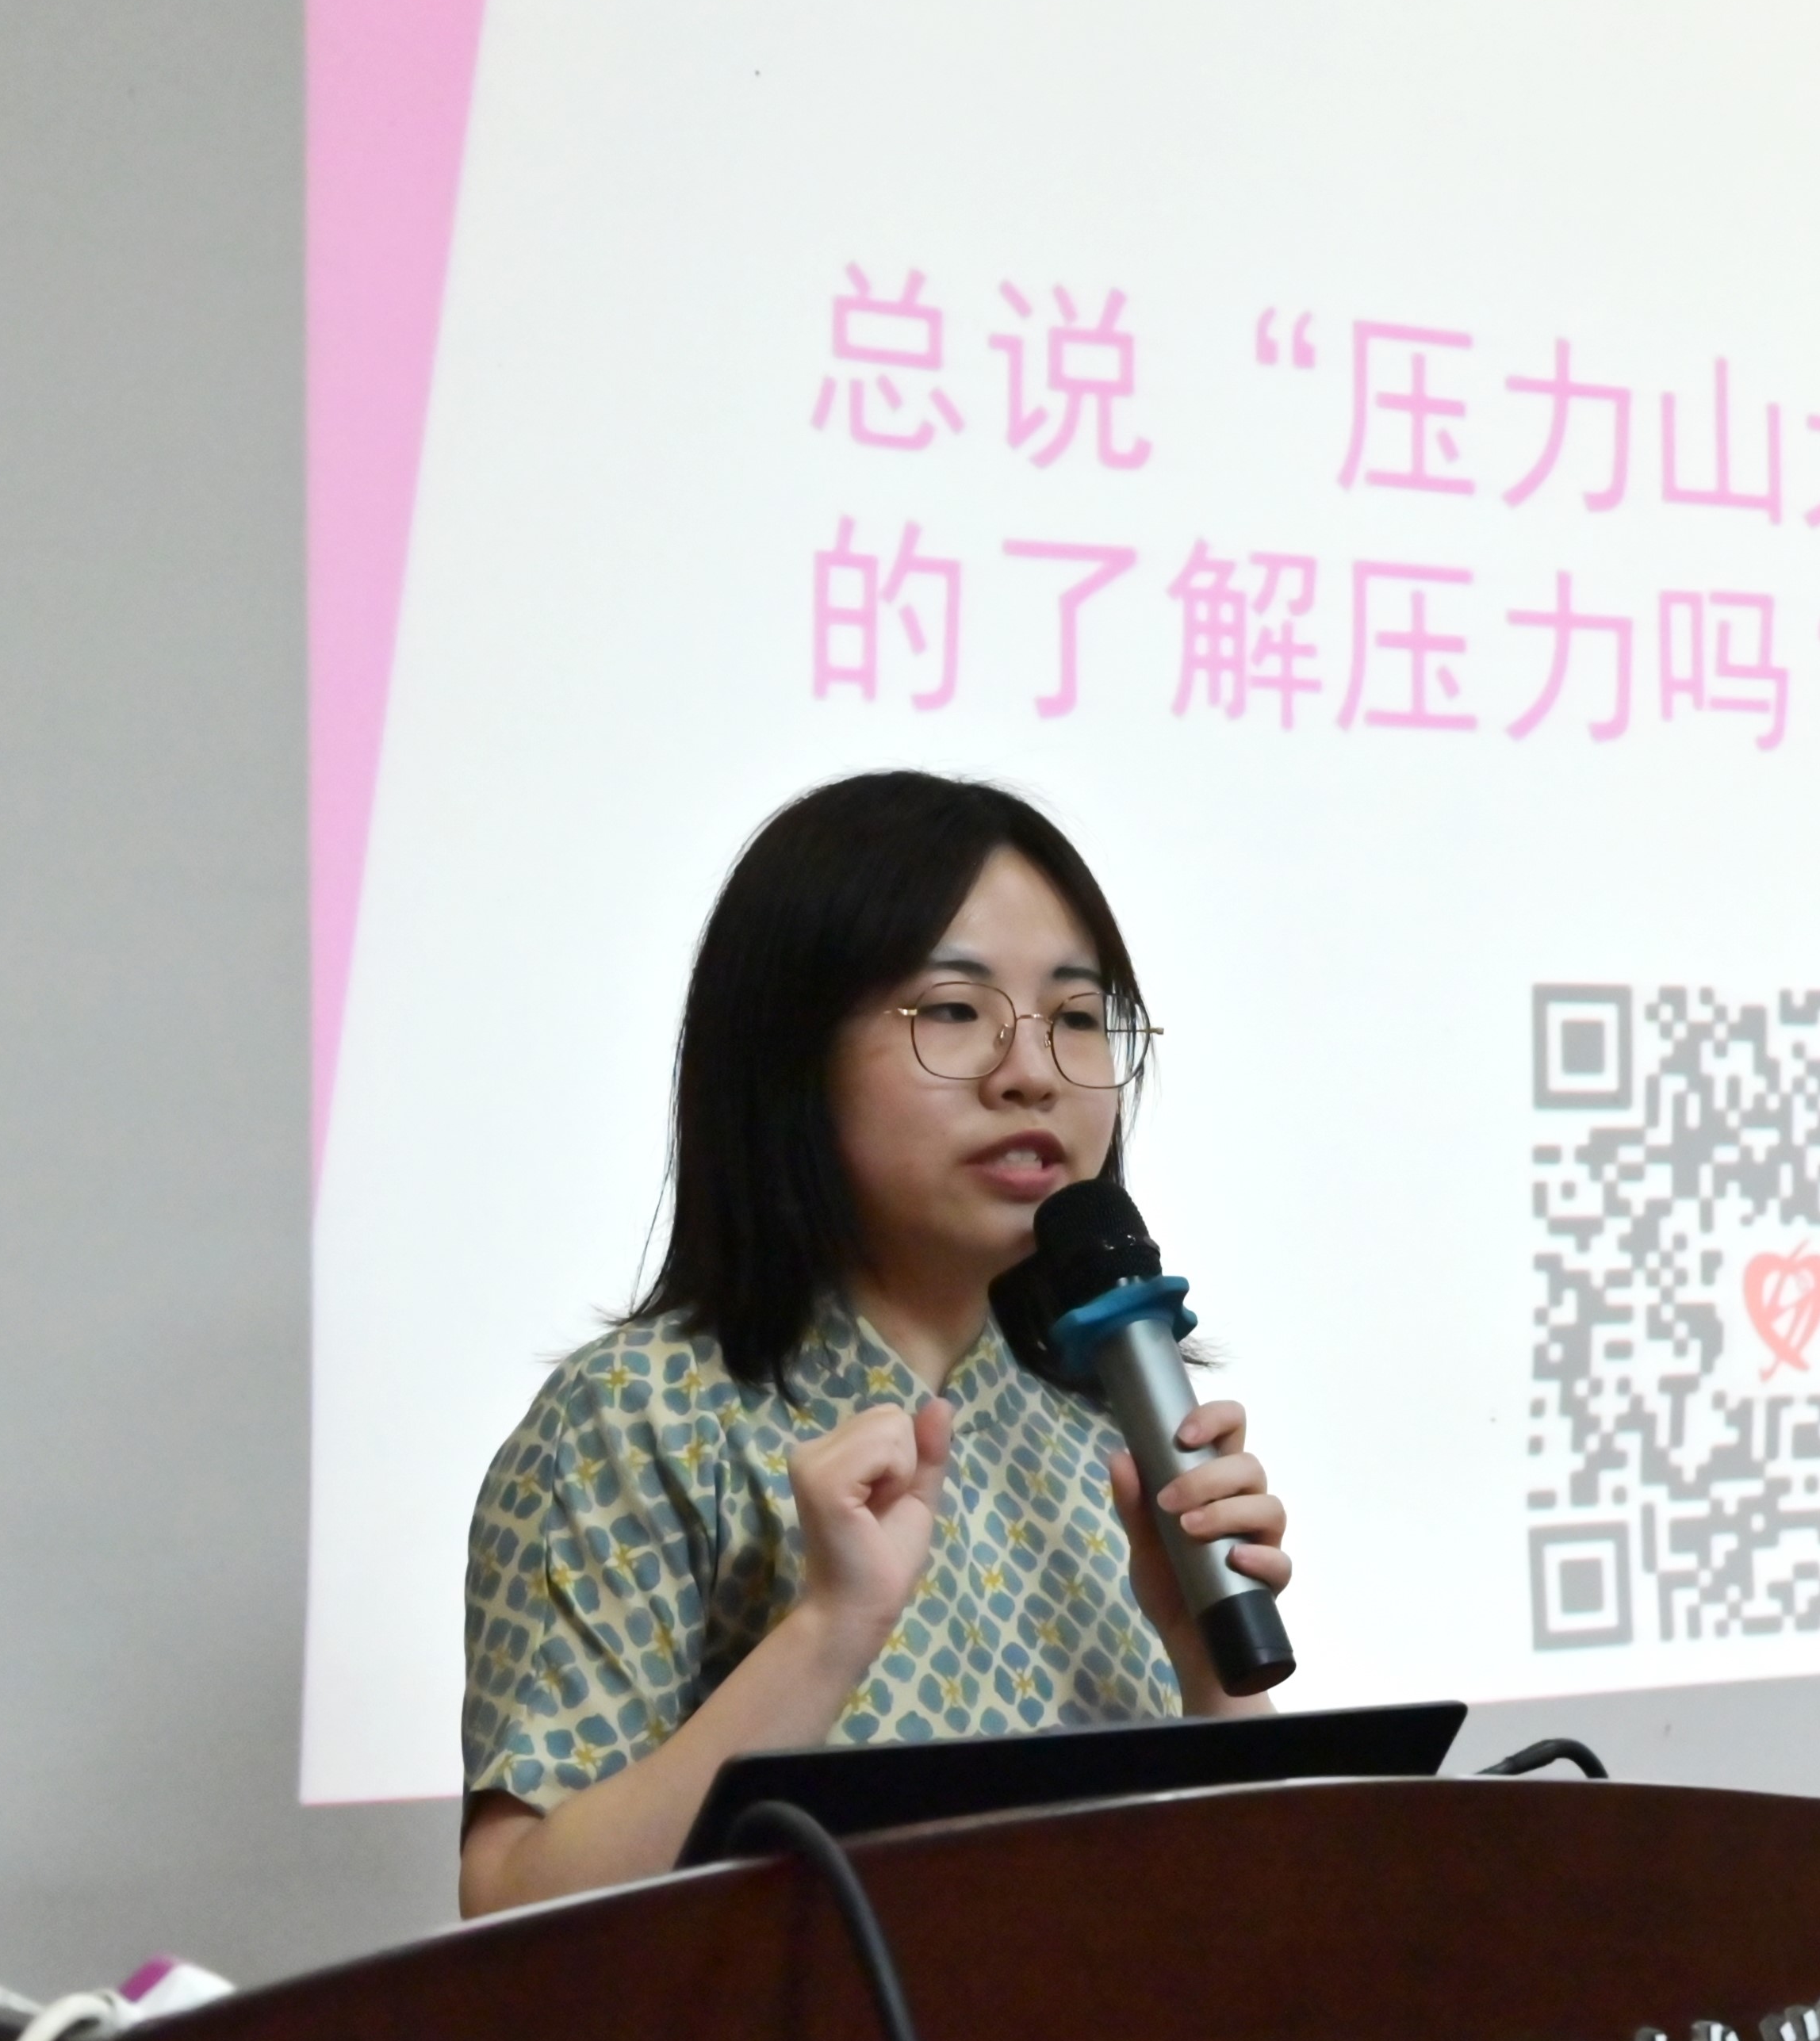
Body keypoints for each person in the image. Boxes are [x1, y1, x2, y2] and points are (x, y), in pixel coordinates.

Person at [452, 775, 1293, 1915]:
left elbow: (1260, 1911)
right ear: (789, 1052)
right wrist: (831, 1628)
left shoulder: (1109, 1426)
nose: (1032, 1072)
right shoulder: (640, 1415)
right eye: (952, 1010)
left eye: (1077, 1017)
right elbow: (514, 1907)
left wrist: (1206, 1665)